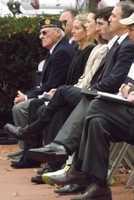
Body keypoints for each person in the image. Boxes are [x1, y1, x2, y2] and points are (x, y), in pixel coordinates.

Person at [32, 8, 134, 200]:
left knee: (96, 104)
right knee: (97, 122)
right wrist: (131, 87)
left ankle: (70, 158)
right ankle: (98, 187)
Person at [4, 14, 95, 168]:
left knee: (33, 107)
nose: (40, 36)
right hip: (66, 93)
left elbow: (70, 81)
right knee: (37, 106)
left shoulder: (66, 51)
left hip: (78, 95)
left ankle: (40, 154)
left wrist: (29, 97)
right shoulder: (72, 50)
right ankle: (33, 151)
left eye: (45, 32)